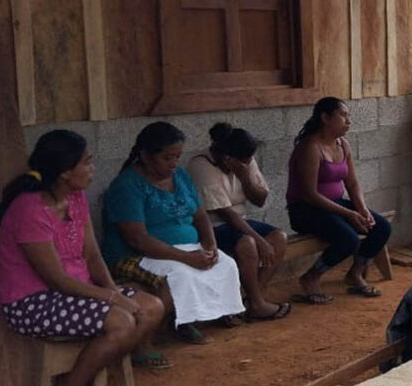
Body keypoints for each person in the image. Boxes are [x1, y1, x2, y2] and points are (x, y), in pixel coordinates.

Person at [0, 130, 166, 386]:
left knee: (152, 307)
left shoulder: (75, 198)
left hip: (78, 293)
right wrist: (113, 299)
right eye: (87, 162)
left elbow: (93, 256)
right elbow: (56, 280)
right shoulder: (29, 210)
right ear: (64, 172)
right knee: (120, 321)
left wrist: (115, 291)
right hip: (33, 302)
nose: (93, 168)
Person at [103, 122, 245, 345]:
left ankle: (191, 319)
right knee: (181, 274)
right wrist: (186, 258)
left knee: (224, 264)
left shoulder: (179, 175)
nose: (174, 163)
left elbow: (200, 216)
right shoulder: (127, 186)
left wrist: (210, 245)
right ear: (146, 156)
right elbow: (137, 239)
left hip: (184, 249)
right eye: (167, 158)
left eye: (177, 157)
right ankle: (147, 339)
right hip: (137, 255)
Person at [286, 97, 393, 304]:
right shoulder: (310, 147)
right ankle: (311, 277)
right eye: (343, 115)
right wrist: (349, 214)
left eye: (348, 116)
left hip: (335, 206)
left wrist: (362, 209)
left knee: (381, 227)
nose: (348, 121)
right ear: (325, 118)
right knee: (348, 239)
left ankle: (356, 273)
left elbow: (352, 183)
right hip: (306, 210)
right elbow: (309, 194)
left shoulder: (343, 144)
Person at [187, 123, 290, 321]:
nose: (248, 163)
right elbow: (226, 214)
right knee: (247, 243)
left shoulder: (244, 160)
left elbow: (260, 199)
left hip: (240, 221)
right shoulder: (200, 164)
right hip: (212, 225)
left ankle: (252, 301)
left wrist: (245, 177)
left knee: (279, 237)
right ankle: (255, 303)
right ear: (227, 158)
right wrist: (260, 240)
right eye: (244, 161)